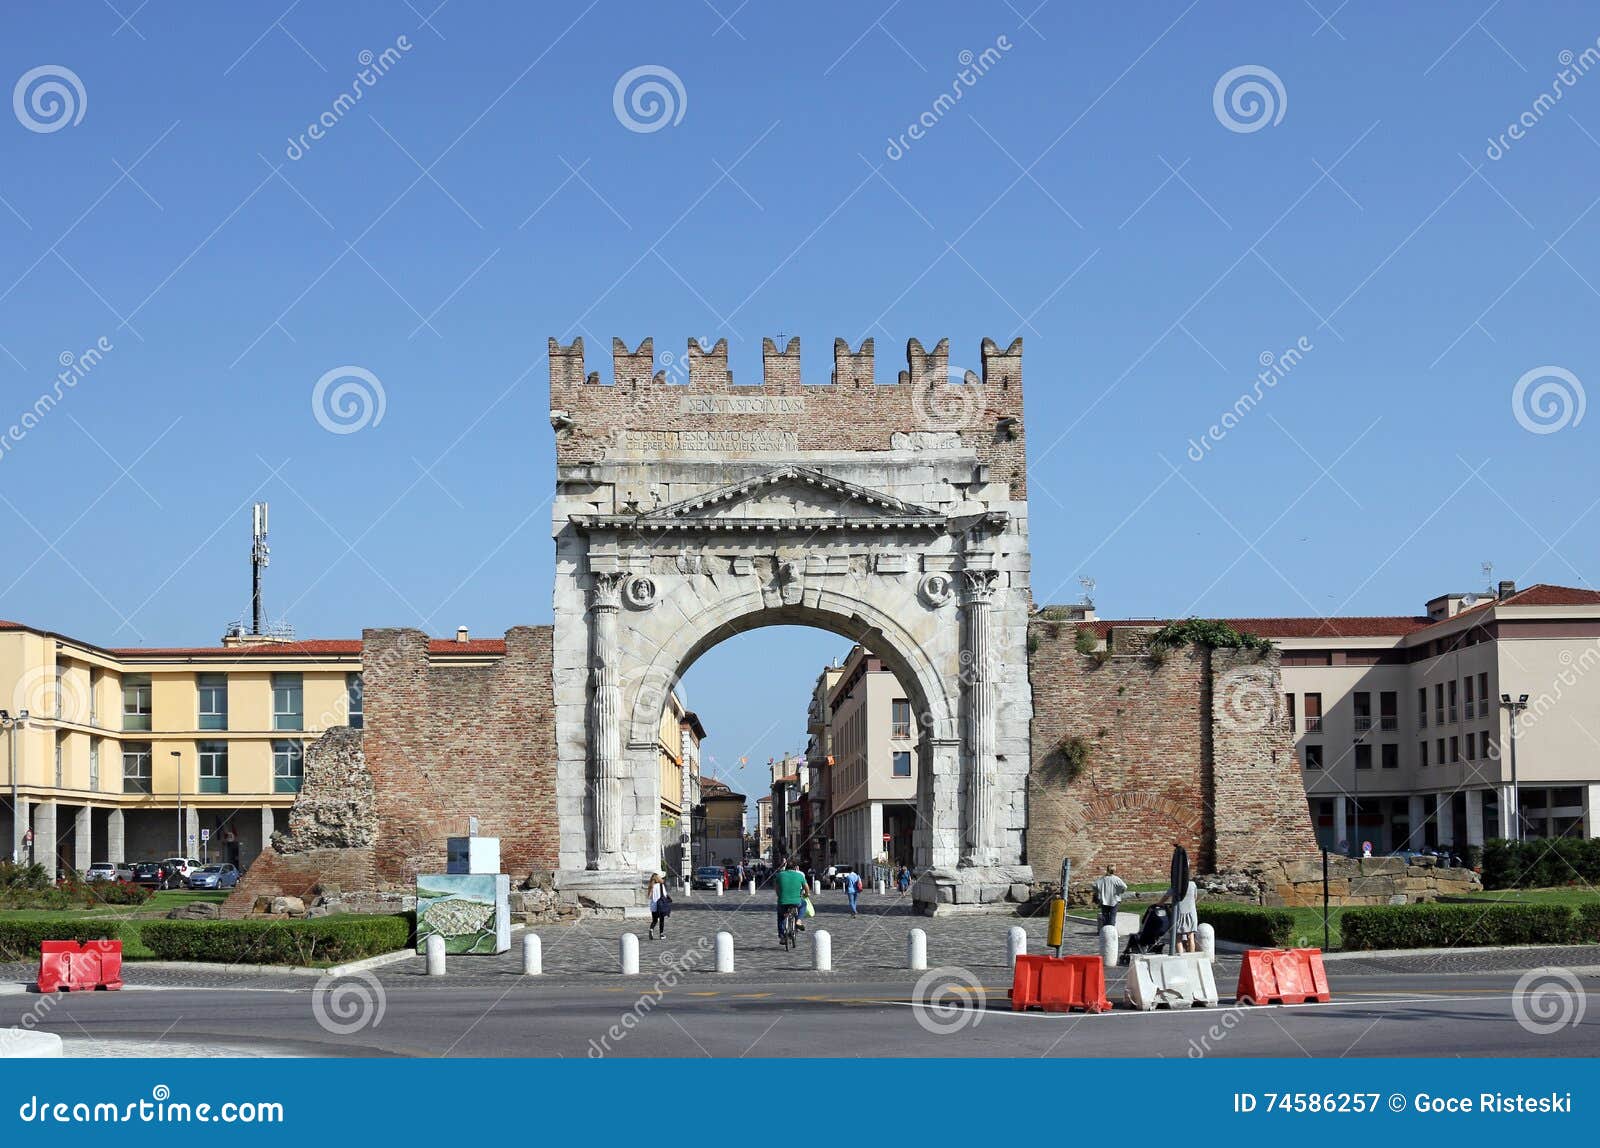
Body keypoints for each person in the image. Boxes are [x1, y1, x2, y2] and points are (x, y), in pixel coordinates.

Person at [1159, 877, 1199, 953]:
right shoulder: (1192, 884)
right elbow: (1195, 897)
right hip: (1191, 912)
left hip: (1179, 913)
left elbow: (1166, 896)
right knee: (1191, 936)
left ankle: (1180, 956)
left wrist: (1159, 903)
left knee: (1178, 937)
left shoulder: (1175, 886)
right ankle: (1191, 956)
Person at [1091, 864, 1127, 930]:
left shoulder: (1101, 879)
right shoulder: (1116, 879)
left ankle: (1105, 931)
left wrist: (1098, 892)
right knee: (1112, 917)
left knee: (1105, 917)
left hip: (1104, 900)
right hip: (1115, 900)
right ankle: (1111, 932)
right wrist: (1119, 892)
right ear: (1114, 871)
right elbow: (1124, 887)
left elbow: (1093, 885)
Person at [646, 871, 672, 939]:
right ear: (658, 878)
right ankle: (661, 934)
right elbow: (665, 895)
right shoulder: (661, 885)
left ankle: (651, 929)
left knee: (654, 920)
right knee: (661, 920)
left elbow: (649, 897)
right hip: (660, 905)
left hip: (653, 906)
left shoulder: (651, 887)